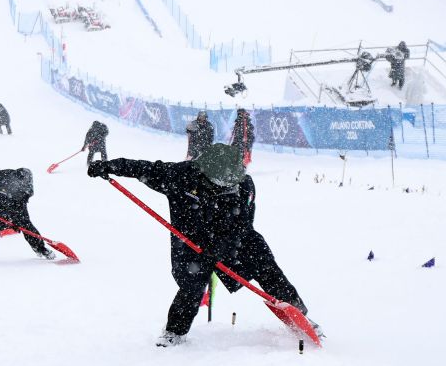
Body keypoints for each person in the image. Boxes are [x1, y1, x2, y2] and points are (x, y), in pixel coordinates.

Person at [87, 143, 316, 347]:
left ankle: (301, 316)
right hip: (192, 241)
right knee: (192, 285)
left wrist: (219, 249)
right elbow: (144, 168)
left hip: (233, 238)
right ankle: (174, 333)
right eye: (221, 185)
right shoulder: (181, 176)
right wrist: (108, 166)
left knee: (263, 261)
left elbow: (244, 226)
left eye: (231, 185)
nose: (227, 189)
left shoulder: (245, 185)